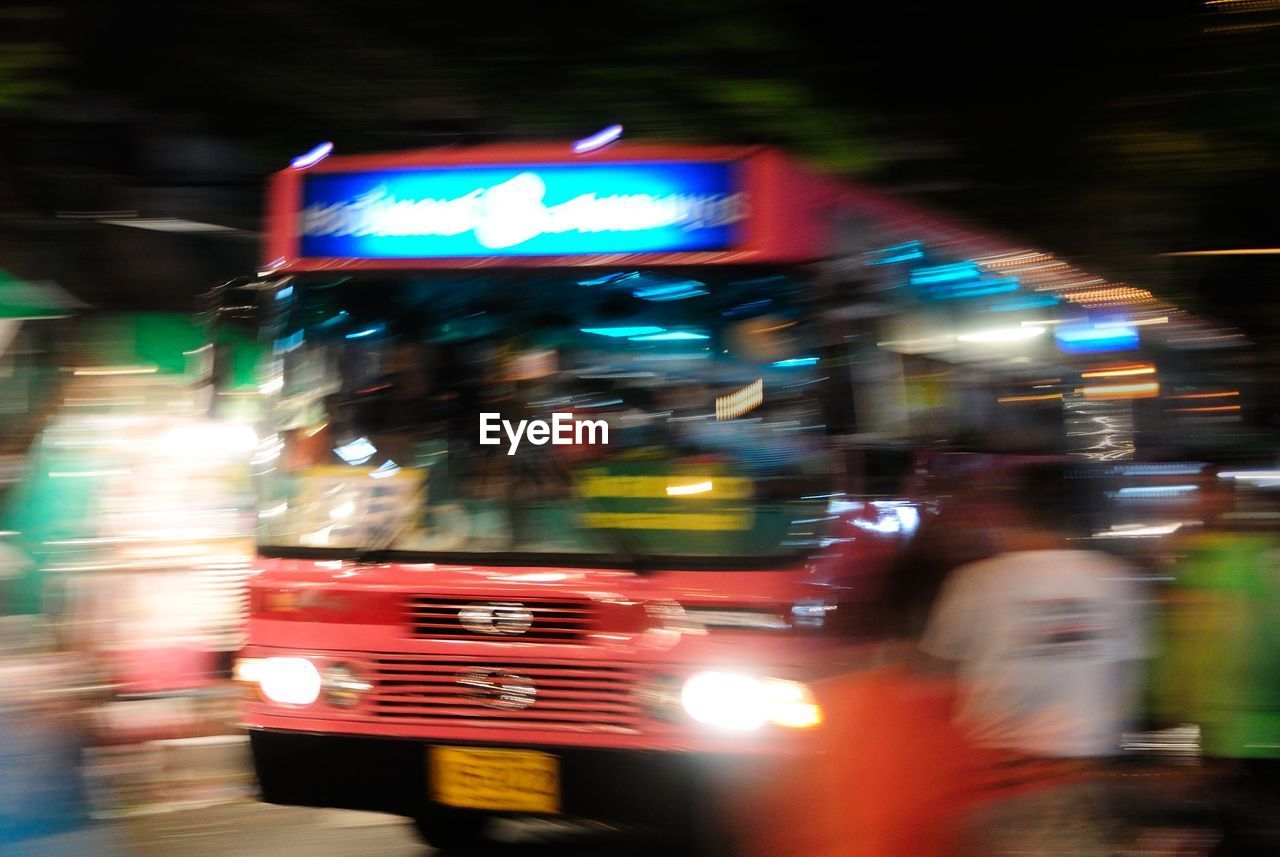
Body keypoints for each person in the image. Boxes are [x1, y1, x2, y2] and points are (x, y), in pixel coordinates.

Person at [920, 462, 1148, 855]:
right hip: (1083, 780)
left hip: (996, 781)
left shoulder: (976, 582)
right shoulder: (1117, 580)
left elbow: (934, 681)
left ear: (1013, 512)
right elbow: (1128, 681)